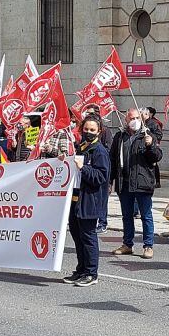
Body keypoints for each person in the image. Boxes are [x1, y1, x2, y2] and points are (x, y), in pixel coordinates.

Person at [61, 116, 111, 287]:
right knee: (77, 236)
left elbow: (101, 177)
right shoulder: (81, 148)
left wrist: (84, 168)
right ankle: (81, 269)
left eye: (92, 130)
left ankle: (91, 273)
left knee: (88, 237)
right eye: (86, 129)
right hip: (76, 199)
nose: (88, 133)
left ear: (99, 131)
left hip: (90, 200)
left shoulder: (99, 151)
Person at [110, 108, 163, 258]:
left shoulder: (147, 135)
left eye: (136, 118)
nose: (133, 120)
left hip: (142, 181)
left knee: (146, 215)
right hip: (124, 182)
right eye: (130, 118)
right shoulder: (120, 136)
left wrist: (150, 145)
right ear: (126, 120)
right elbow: (113, 159)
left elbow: (156, 157)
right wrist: (110, 181)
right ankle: (127, 244)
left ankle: (148, 246)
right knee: (127, 216)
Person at [145, 107, 164, 188]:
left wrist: (151, 138)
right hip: (145, 146)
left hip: (153, 146)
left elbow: (159, 135)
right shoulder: (142, 122)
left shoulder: (154, 123)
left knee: (154, 164)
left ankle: (157, 181)